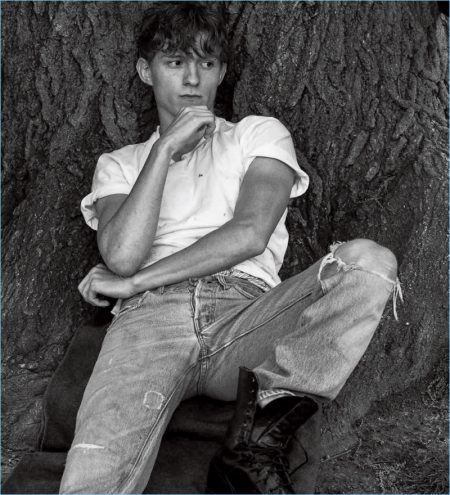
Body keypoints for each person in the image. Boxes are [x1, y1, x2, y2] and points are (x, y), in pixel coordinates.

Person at [59, 2, 401, 493]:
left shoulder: (257, 133)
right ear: (146, 71)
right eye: (175, 62)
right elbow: (122, 255)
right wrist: (164, 151)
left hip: (247, 315)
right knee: (93, 480)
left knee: (368, 264)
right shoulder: (121, 163)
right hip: (147, 323)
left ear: (221, 72)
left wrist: (135, 282)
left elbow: (250, 234)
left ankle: (256, 441)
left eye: (207, 62)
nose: (192, 78)